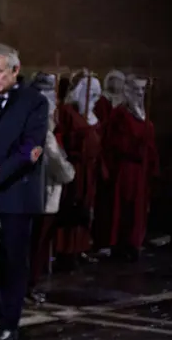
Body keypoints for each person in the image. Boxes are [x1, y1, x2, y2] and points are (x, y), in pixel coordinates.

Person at [0, 43, 49, 340]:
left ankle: (9, 322)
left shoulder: (35, 102)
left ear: (15, 70)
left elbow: (31, 147)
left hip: (18, 191)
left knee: (12, 261)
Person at [100, 75, 160, 260]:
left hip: (140, 170)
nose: (140, 94)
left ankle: (135, 242)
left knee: (139, 207)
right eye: (136, 91)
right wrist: (135, 147)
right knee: (124, 205)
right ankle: (121, 244)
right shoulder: (121, 114)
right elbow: (114, 142)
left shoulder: (144, 115)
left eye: (142, 91)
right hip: (126, 169)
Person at [29, 74, 76, 292]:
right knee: (36, 246)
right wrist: (69, 172)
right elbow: (58, 165)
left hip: (31, 196)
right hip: (44, 197)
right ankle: (29, 286)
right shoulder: (44, 135)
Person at [57, 73, 104, 269]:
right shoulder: (68, 112)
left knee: (85, 207)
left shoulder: (91, 115)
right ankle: (65, 251)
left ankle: (80, 247)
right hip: (75, 167)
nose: (92, 98)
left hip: (89, 169)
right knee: (72, 206)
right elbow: (62, 137)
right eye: (89, 94)